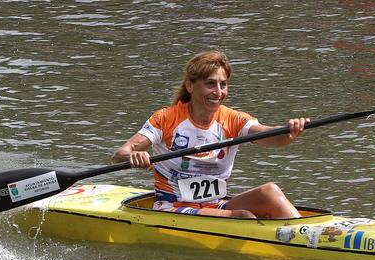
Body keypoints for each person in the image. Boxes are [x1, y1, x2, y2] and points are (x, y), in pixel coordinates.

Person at [112, 51, 308, 218]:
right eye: (210, 84)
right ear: (190, 85)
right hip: (172, 208)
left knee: (270, 192)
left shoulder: (232, 119)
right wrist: (136, 156)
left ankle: (303, 234)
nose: (218, 92)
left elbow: (270, 137)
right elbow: (120, 155)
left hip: (215, 205)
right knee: (243, 216)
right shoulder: (166, 118)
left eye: (223, 85)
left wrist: (289, 131)